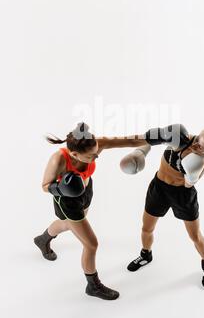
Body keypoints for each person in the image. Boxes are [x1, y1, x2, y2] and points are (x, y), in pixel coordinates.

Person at [34, 122, 150, 301]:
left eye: (96, 153)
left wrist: (158, 138)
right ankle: (93, 285)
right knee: (91, 244)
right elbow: (44, 186)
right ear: (74, 154)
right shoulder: (59, 159)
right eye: (91, 156)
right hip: (68, 200)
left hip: (86, 191)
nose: (96, 157)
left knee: (68, 225)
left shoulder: (96, 144)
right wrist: (61, 188)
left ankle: (43, 239)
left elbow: (129, 141)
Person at [121, 124, 204, 289]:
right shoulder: (179, 137)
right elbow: (151, 139)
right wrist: (140, 152)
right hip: (159, 187)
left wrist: (194, 171)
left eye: (201, 148)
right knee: (146, 228)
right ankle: (146, 254)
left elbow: (190, 183)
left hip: (182, 194)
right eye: (197, 141)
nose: (196, 146)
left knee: (195, 236)